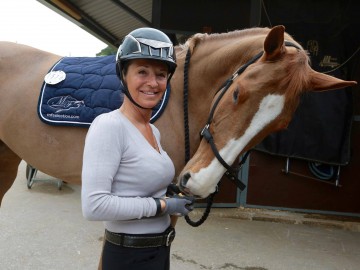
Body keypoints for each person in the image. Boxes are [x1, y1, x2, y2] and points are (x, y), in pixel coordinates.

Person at [81, 27, 194, 270]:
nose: (153, 83)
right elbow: (94, 206)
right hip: (128, 257)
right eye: (142, 72)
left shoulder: (153, 130)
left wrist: (176, 191)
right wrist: (163, 206)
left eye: (161, 74)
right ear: (124, 75)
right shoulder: (110, 126)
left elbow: (139, 184)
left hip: (158, 251)